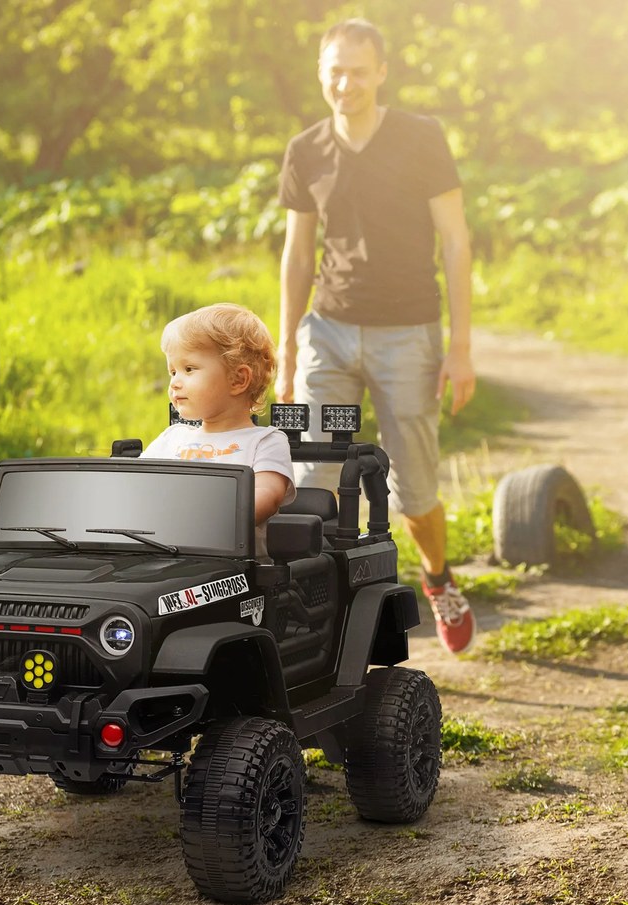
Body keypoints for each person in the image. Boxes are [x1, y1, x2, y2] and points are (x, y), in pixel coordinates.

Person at [275, 17, 476, 654]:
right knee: (319, 476)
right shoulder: (306, 150)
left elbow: (456, 240)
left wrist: (462, 345)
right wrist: (285, 349)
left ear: (381, 71)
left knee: (414, 488)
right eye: (335, 71)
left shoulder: (421, 138)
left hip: (407, 337)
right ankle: (324, 612)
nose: (346, 83)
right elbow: (298, 254)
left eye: (359, 71)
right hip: (329, 336)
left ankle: (438, 578)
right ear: (320, 74)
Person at [142, 303, 296, 556]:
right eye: (172, 371)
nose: (174, 383)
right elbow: (137, 486)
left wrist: (208, 521)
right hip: (164, 556)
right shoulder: (171, 438)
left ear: (238, 380)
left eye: (189, 369)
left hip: (236, 570)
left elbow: (267, 495)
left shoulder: (265, 441)